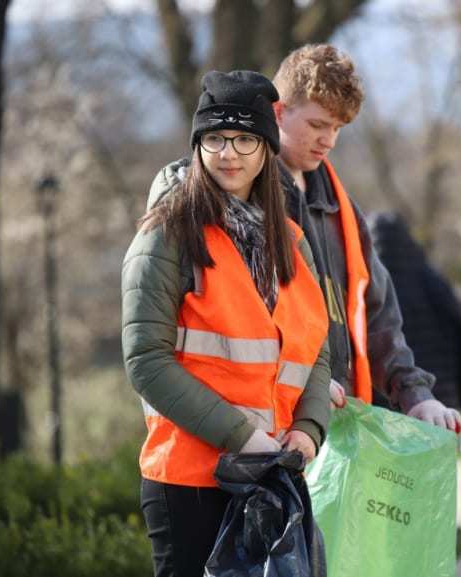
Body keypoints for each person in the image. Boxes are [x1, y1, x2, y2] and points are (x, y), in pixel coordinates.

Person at [123, 70, 331, 577]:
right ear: (198, 146)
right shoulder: (166, 235)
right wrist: (241, 436)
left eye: (244, 139)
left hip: (270, 474)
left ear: (265, 149)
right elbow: (146, 361)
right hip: (191, 481)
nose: (228, 153)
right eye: (214, 138)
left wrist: (308, 428)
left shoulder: (289, 240)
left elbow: (314, 345)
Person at [270, 43, 461, 433]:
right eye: (317, 125)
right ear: (278, 111)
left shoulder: (344, 210)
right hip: (272, 427)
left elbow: (378, 313)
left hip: (342, 423)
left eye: (337, 128)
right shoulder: (246, 203)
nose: (328, 140)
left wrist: (415, 394)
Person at [367, 210, 461, 444]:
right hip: (437, 397)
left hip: (387, 398)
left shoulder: (367, 286)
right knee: (434, 473)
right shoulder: (433, 283)